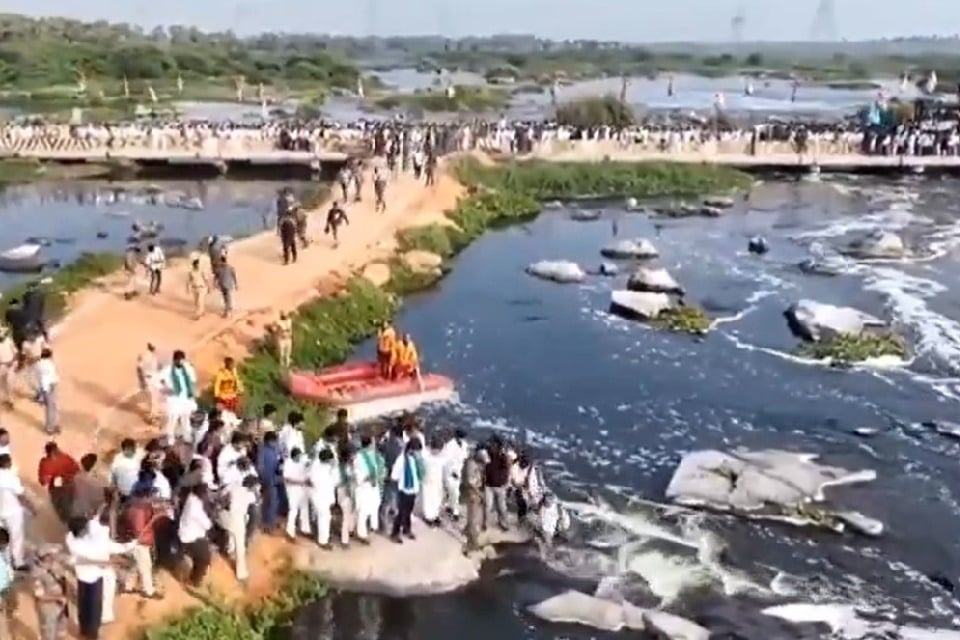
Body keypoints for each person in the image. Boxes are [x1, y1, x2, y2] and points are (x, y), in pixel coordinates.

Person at [32, 542, 70, 640]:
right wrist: (58, 598)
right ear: (45, 557)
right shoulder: (37, 574)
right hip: (48, 609)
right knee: (48, 635)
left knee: (61, 632)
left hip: (61, 606)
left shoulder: (55, 565)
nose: (54, 556)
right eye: (51, 554)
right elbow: (39, 595)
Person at [159, 350, 198, 444]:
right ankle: (170, 440)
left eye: (182, 360)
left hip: (186, 399)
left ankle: (187, 438)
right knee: (173, 420)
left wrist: (192, 393)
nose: (181, 362)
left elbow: (193, 380)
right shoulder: (167, 370)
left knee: (186, 419)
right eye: (179, 360)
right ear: (174, 360)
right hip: (174, 400)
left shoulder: (188, 368)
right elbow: (157, 380)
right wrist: (165, 389)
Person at [177, 484, 212, 587]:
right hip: (190, 537)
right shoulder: (195, 508)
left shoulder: (191, 498)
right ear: (201, 494)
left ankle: (195, 575)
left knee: (202, 554)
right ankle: (194, 581)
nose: (207, 496)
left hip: (190, 533)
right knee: (205, 558)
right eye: (206, 494)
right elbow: (208, 525)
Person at [389, 439, 423, 543]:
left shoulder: (413, 459)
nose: (418, 453)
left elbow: (416, 473)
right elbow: (394, 476)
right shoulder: (401, 460)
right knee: (401, 513)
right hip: (403, 490)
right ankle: (394, 533)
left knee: (408, 511)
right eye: (417, 450)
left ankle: (406, 529)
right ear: (411, 449)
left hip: (412, 490)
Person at [0, 454, 30, 572]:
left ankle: (6, 562)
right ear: (8, 463)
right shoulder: (11, 478)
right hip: (13, 512)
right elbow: (20, 496)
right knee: (16, 537)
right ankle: (18, 562)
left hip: (0, 512)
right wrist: (31, 508)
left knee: (3, 538)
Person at [353, 435, 384, 544]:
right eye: (373, 442)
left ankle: (372, 526)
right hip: (364, 487)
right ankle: (362, 534)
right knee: (363, 511)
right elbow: (357, 474)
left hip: (372, 486)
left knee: (374, 505)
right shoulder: (359, 457)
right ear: (370, 444)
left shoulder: (372, 454)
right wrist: (366, 477)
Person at [38, 443, 79, 525]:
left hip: (57, 489)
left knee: (60, 507)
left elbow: (43, 482)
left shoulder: (45, 463)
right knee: (70, 505)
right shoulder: (65, 458)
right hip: (69, 486)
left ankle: (65, 521)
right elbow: (77, 469)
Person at [308, 448, 338, 549]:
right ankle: (323, 541)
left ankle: (322, 537)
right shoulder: (327, 470)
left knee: (323, 518)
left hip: (317, 496)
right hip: (322, 497)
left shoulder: (315, 467)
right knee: (324, 518)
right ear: (328, 460)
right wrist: (334, 468)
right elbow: (335, 482)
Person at [462, 447, 487, 553]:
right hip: (472, 493)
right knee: (473, 520)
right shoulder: (471, 465)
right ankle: (472, 544)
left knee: (473, 518)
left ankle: (467, 531)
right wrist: (480, 494)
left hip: (476, 492)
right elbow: (470, 482)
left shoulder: (475, 463)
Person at [282, 447, 311, 540]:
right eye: (298, 456)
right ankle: (290, 532)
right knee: (293, 511)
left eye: (300, 456)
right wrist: (301, 482)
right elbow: (287, 479)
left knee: (304, 509)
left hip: (303, 489)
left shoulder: (302, 462)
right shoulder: (288, 463)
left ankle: (305, 529)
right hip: (292, 490)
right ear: (293, 456)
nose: (300, 458)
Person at [440, 429, 468, 520]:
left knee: (454, 492)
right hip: (450, 472)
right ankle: (455, 512)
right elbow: (446, 460)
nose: (461, 439)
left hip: (458, 470)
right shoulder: (449, 446)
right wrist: (452, 471)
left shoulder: (464, 445)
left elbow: (464, 457)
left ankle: (450, 507)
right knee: (454, 492)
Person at [420, 437, 445, 527]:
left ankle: (435, 515)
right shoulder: (425, 455)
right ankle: (428, 517)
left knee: (437, 498)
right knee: (428, 498)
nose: (437, 452)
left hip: (437, 480)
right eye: (436, 449)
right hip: (427, 480)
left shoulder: (441, 457)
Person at [36, 347, 59, 435]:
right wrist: (45, 391)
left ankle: (55, 424)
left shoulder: (46, 363)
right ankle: (49, 428)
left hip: (52, 386)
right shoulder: (42, 365)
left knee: (55, 406)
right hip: (48, 388)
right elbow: (44, 379)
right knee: (50, 408)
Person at [136, 343, 160, 422]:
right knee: (151, 397)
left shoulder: (153, 355)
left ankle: (154, 414)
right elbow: (139, 368)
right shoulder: (145, 356)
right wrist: (142, 380)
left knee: (155, 397)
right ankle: (152, 416)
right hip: (148, 378)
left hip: (154, 378)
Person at [0, 325, 16, 409]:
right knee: (2, 384)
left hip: (10, 364)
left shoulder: (9, 341)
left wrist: (13, 361)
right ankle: (6, 399)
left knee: (9, 384)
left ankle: (11, 401)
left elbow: (15, 352)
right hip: (1, 365)